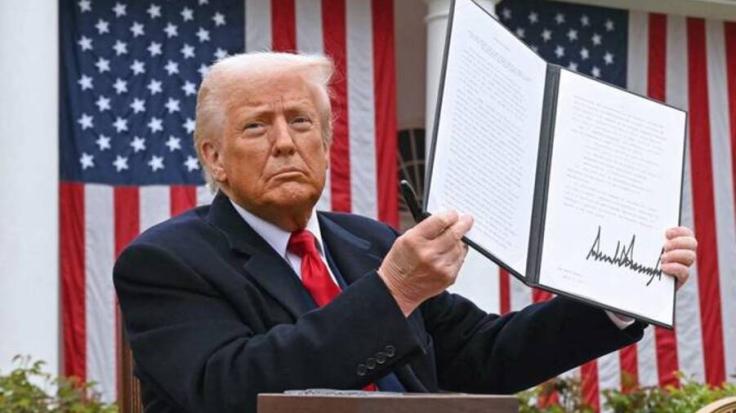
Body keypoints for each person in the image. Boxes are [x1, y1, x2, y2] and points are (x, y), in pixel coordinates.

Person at [113, 52, 697, 413]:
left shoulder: (367, 242)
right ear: (214, 157)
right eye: (256, 127)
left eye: (301, 121)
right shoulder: (165, 261)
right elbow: (231, 392)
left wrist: (616, 298)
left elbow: (482, 356)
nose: (285, 142)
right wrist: (394, 290)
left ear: (327, 144)